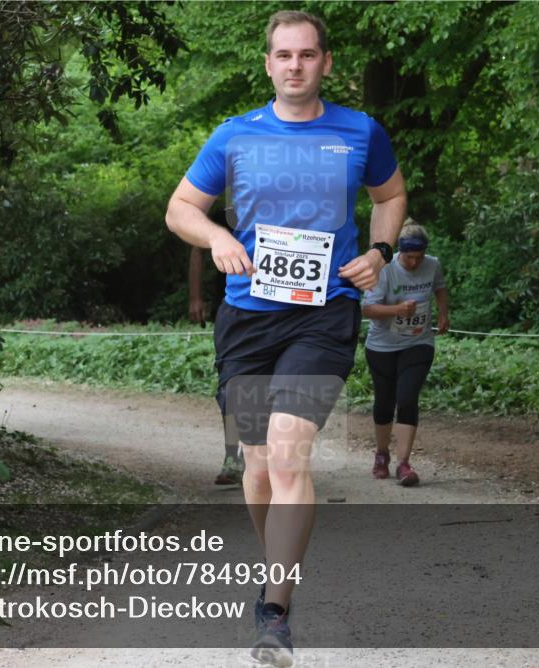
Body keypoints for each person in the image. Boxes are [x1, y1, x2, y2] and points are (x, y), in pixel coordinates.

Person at [165, 10, 406, 666]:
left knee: (290, 454)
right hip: (246, 316)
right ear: (268, 64)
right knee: (258, 464)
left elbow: (391, 195)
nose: (294, 65)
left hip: (322, 314)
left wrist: (380, 252)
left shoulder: (360, 131)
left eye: (307, 55)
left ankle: (275, 609)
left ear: (325, 62)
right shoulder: (234, 136)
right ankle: (276, 561)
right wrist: (216, 237)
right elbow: (180, 207)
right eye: (283, 55)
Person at [361, 221, 449, 486]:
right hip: (382, 346)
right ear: (400, 252)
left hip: (418, 343)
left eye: (418, 257)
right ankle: (381, 454)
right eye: (409, 257)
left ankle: (404, 464)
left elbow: (440, 288)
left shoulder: (432, 265)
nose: (414, 263)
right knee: (385, 402)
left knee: (407, 398)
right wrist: (396, 310)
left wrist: (444, 312)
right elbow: (367, 309)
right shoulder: (384, 269)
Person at [187, 234, 244, 486]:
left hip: (289, 314)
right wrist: (195, 297)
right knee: (230, 386)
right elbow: (197, 248)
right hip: (235, 310)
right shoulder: (227, 214)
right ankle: (232, 456)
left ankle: (266, 457)